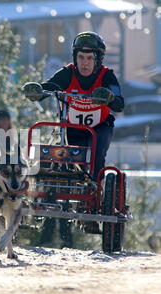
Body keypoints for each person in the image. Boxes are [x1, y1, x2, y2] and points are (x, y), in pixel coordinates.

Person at [23, 31, 125, 241]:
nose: (84, 63)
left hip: (99, 128)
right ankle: (44, 192)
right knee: (58, 156)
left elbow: (119, 103)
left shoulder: (106, 76)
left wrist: (109, 97)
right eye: (81, 57)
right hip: (73, 129)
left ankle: (94, 196)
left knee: (95, 155)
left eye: (89, 58)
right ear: (75, 58)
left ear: (97, 60)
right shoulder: (68, 74)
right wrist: (38, 91)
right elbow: (50, 87)